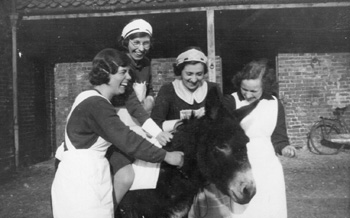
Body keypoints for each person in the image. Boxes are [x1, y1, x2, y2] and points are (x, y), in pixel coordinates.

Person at [51, 48, 184, 218]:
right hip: (82, 183)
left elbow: (136, 114)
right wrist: (167, 156)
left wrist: (157, 133)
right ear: (106, 73)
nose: (129, 78)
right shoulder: (97, 104)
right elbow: (127, 140)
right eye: (123, 72)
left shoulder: (89, 97)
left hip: (87, 177)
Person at [190, 59, 296, 218]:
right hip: (239, 164)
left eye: (254, 91)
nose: (247, 94)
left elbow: (279, 137)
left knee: (270, 210)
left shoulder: (275, 104)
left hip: (268, 167)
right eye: (244, 89)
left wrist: (285, 147)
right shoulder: (230, 101)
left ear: (265, 86)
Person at [107, 19, 173, 208]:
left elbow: (146, 93)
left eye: (145, 43)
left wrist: (150, 100)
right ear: (125, 42)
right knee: (126, 175)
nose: (141, 48)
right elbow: (130, 104)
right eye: (136, 43)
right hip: (118, 123)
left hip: (139, 121)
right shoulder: (119, 64)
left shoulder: (145, 64)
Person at [151, 47, 222, 131]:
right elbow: (154, 124)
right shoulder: (167, 90)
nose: (194, 79)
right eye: (189, 74)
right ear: (180, 71)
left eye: (199, 74)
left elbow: (222, 119)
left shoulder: (213, 89)